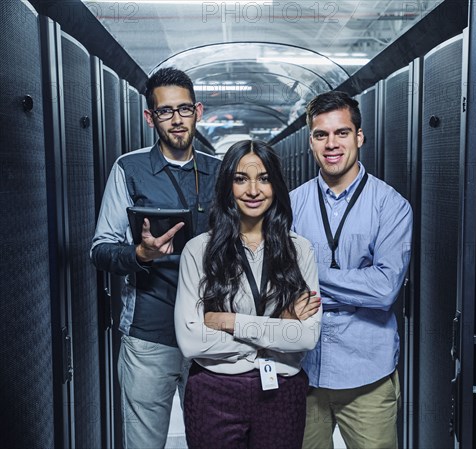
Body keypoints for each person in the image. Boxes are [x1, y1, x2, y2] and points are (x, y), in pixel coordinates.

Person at [91, 67, 221, 448]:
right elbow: (100, 249)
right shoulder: (128, 169)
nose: (177, 119)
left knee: (216, 440)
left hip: (212, 333)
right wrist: (140, 254)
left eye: (184, 109)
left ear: (198, 111)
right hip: (150, 335)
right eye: (165, 111)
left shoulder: (221, 171)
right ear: (150, 117)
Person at [174, 139, 322, 449]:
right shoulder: (198, 250)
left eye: (264, 178)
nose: (253, 190)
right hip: (214, 391)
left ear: (275, 185)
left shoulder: (300, 250)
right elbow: (191, 342)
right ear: (228, 185)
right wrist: (279, 326)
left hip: (281, 391)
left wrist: (230, 321)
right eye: (241, 179)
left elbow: (306, 338)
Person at [290, 91, 413, 449]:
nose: (332, 144)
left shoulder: (391, 206)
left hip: (367, 376)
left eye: (342, 133)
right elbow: (280, 282)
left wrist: (310, 273)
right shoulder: (291, 204)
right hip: (303, 371)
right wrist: (354, 282)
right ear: (311, 141)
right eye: (321, 134)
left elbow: (384, 288)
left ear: (359, 137)